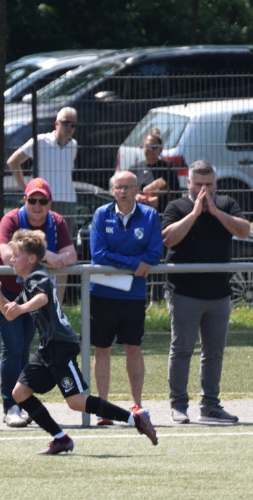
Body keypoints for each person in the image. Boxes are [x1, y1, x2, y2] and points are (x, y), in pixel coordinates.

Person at [0, 230, 158, 454]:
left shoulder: (38, 275)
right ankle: (60, 438)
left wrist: (21, 308)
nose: (11, 259)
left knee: (76, 401)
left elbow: (42, 298)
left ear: (31, 258)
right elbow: (9, 315)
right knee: (19, 393)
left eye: (16, 255)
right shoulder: (28, 283)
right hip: (48, 348)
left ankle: (135, 418)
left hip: (61, 345)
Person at [161, 160, 250, 425]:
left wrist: (215, 211)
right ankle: (178, 405)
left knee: (214, 352)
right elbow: (168, 239)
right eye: (198, 184)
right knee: (182, 349)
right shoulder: (176, 207)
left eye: (209, 185)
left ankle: (210, 406)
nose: (203, 189)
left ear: (215, 183)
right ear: (188, 183)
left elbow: (244, 231)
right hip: (184, 292)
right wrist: (194, 214)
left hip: (219, 292)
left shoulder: (226, 204)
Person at [0, 178, 77, 428]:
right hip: (5, 289)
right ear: (24, 200)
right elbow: (7, 255)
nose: (37, 205)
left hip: (34, 293)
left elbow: (71, 255)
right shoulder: (11, 219)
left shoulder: (57, 222)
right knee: (13, 347)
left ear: (50, 202)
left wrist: (49, 257)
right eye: (32, 200)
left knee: (25, 348)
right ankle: (10, 406)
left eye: (42, 201)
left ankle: (23, 403)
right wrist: (46, 255)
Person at [89, 170, 163, 423]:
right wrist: (133, 264)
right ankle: (103, 407)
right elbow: (98, 254)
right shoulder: (101, 214)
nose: (122, 192)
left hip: (134, 294)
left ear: (137, 190)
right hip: (103, 292)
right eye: (118, 187)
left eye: (128, 187)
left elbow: (153, 254)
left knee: (133, 347)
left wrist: (124, 263)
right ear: (112, 190)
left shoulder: (150, 216)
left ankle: (137, 404)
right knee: (102, 348)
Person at [7, 107, 78, 221]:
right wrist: (26, 190)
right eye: (66, 123)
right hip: (44, 201)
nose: (69, 128)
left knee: (67, 233)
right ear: (56, 124)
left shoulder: (74, 145)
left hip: (68, 201)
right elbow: (13, 161)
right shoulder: (41, 141)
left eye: (73, 125)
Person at [129, 128, 180, 214]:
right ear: (142, 146)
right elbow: (127, 192)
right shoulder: (135, 169)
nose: (150, 149)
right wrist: (136, 197)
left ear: (160, 149)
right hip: (138, 212)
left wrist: (158, 201)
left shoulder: (167, 170)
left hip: (161, 214)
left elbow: (177, 196)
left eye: (154, 147)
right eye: (148, 146)